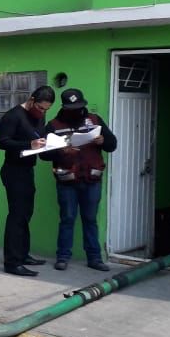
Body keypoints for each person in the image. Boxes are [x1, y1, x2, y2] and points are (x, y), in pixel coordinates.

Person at [39, 88, 118, 272]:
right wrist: (60, 150)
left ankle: (95, 258)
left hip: (92, 179)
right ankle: (63, 257)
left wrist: (102, 141)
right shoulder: (53, 125)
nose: (76, 110)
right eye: (72, 107)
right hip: (67, 181)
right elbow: (43, 155)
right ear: (64, 107)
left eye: (79, 106)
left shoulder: (95, 121)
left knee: (90, 219)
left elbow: (112, 144)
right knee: (67, 218)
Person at [0, 85, 56, 276]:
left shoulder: (38, 116)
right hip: (13, 171)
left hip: (28, 169)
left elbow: (39, 137)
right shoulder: (13, 116)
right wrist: (28, 144)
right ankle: (12, 262)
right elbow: (2, 142)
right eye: (40, 108)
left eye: (46, 109)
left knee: (26, 213)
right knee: (16, 215)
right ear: (31, 100)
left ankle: (23, 254)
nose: (42, 112)